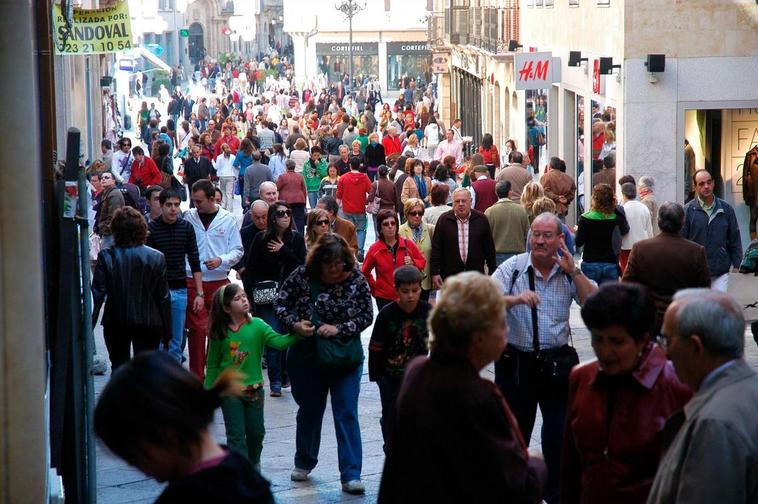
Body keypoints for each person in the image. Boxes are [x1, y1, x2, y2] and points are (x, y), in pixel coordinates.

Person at [378, 271, 547, 503]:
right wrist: (536, 464)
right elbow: (514, 485)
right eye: (502, 323)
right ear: (478, 337)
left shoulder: (418, 371)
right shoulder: (475, 395)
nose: (506, 331)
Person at [492, 212, 597, 504]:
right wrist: (515, 299)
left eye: (546, 235)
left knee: (559, 437)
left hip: (556, 366)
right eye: (535, 234)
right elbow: (484, 299)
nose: (539, 240)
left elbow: (594, 303)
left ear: (559, 239)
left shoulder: (567, 271)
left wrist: (574, 271)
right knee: (515, 436)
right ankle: (517, 493)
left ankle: (556, 494)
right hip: (516, 365)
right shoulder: (513, 268)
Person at [562, 283, 692, 503]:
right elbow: (570, 466)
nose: (605, 352)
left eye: (617, 342)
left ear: (642, 339)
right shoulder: (581, 378)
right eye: (598, 339)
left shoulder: (676, 387)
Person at [94, 352, 275, 503]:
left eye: (134, 457)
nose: (140, 469)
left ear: (166, 433)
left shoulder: (184, 497)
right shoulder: (245, 472)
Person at [274, 234, 373, 495]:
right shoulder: (302, 275)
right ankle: (304, 461)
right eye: (330, 265)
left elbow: (366, 314)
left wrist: (339, 328)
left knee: (346, 412)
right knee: (309, 410)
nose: (335, 270)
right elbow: (281, 302)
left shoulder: (356, 279)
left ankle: (351, 474)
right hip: (308, 355)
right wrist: (295, 323)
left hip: (345, 357)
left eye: (340, 264)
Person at [648, 289, 758, 503]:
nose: (664, 352)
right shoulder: (746, 389)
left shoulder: (714, 424)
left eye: (667, 340)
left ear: (695, 346)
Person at [205, 283, 301, 469]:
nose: (243, 300)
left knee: (257, 433)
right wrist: (208, 394)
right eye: (237, 299)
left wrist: (298, 334)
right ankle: (240, 471)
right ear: (226, 308)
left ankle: (254, 463)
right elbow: (212, 366)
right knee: (236, 435)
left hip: (255, 391)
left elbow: (279, 342)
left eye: (243, 296)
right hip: (229, 393)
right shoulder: (219, 333)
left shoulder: (258, 325)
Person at [92, 207, 172, 371]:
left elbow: (97, 294)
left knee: (119, 366)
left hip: (116, 319)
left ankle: (121, 397)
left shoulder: (107, 256)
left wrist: (89, 325)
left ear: (115, 230)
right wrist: (167, 330)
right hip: (149, 319)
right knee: (145, 371)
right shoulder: (156, 257)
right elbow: (163, 297)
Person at [244, 202, 306, 397]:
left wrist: (283, 251)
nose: (286, 216)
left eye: (288, 212)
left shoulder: (295, 239)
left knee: (290, 337)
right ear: (273, 217)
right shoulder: (261, 239)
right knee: (273, 337)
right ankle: (276, 381)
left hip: (291, 297)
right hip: (266, 298)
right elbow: (251, 268)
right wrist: (250, 297)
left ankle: (287, 374)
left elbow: (301, 266)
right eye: (281, 213)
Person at [184, 180, 244, 380]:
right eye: (193, 201)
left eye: (199, 201)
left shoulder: (227, 219)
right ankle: (197, 378)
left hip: (219, 281)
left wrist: (221, 260)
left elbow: (237, 250)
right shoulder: (188, 218)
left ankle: (217, 374)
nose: (196, 205)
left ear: (212, 199)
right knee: (197, 331)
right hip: (192, 280)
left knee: (221, 331)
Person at [368, 265, 431, 450]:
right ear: (396, 290)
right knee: (390, 411)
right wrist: (377, 376)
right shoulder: (387, 314)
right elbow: (376, 346)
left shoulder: (427, 311)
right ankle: (391, 446)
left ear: (421, 289)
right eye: (405, 291)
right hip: (390, 375)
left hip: (417, 375)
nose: (410, 295)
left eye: (415, 291)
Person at [622, 201, 711, 332]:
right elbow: (704, 289)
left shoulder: (640, 249)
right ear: (683, 222)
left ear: (658, 221)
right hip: (682, 320)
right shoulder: (696, 251)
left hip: (650, 320)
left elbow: (627, 285)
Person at [146, 189, 204, 363]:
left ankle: (173, 380)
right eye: (169, 205)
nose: (173, 209)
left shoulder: (186, 227)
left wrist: (199, 293)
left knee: (176, 339)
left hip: (179, 288)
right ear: (161, 206)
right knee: (156, 336)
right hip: (158, 290)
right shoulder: (152, 229)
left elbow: (194, 260)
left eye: (176, 205)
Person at [682, 169, 742, 292]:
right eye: (702, 184)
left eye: (709, 182)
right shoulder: (687, 211)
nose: (706, 186)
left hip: (720, 269)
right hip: (695, 271)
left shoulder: (726, 209)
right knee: (699, 308)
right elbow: (682, 241)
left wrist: (736, 263)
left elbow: (734, 237)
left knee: (717, 307)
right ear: (695, 187)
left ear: (713, 183)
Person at [430, 188, 496, 288]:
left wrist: (492, 272)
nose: (460, 204)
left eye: (464, 201)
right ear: (452, 203)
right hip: (450, 278)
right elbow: (436, 248)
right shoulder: (444, 220)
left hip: (476, 277)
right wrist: (435, 272)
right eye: (457, 201)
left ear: (471, 201)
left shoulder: (481, 219)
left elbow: (489, 248)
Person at [362, 209, 426, 311]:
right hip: (384, 298)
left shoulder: (407, 244)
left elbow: (422, 262)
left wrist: (413, 262)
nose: (390, 226)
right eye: (386, 224)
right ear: (380, 228)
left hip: (406, 297)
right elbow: (364, 272)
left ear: (397, 225)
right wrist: (375, 289)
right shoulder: (375, 249)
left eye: (393, 223)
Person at [575, 183, 630, 285]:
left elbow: (578, 242)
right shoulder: (616, 218)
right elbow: (625, 230)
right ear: (612, 199)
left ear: (594, 199)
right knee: (609, 299)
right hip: (610, 263)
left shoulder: (585, 218)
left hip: (590, 262)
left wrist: (577, 231)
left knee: (590, 298)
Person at [485, 180, 530, 266]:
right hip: (518, 253)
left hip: (497, 254)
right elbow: (527, 233)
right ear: (510, 192)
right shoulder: (521, 210)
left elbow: (486, 236)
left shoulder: (489, 211)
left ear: (496, 193)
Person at [399, 199, 435, 300]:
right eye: (413, 213)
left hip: (425, 281)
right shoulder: (399, 231)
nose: (417, 216)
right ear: (406, 214)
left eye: (420, 213)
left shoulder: (430, 229)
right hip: (406, 282)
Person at [336, 157, 372, 260]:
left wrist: (336, 207)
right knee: (361, 230)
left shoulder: (343, 178)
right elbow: (371, 191)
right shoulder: (365, 178)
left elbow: (339, 195)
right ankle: (360, 250)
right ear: (360, 165)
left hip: (347, 209)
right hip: (360, 208)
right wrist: (368, 202)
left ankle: (349, 250)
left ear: (350, 165)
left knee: (348, 230)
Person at [619, 182, 654, 274]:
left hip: (625, 248)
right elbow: (649, 230)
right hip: (642, 247)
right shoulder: (644, 208)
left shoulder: (622, 209)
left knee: (626, 274)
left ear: (623, 194)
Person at [95, 171, 124, 250]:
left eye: (107, 177)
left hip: (111, 234)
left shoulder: (114, 195)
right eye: (102, 178)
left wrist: (104, 230)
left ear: (113, 181)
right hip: (108, 233)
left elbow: (114, 216)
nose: (103, 179)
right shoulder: (107, 193)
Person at [276, 160, 307, 234]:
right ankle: (300, 235)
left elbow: (277, 187)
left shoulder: (282, 177)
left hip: (286, 201)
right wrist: (304, 202)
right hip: (300, 200)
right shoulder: (300, 176)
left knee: (287, 218)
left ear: (286, 167)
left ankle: (290, 234)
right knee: (299, 219)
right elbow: (304, 190)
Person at [214, 143, 238, 212]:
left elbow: (217, 167)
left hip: (222, 175)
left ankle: (223, 206)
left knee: (223, 191)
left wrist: (213, 162)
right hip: (231, 175)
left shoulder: (219, 157)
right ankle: (230, 208)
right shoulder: (233, 157)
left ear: (222, 149)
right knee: (229, 193)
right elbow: (235, 166)